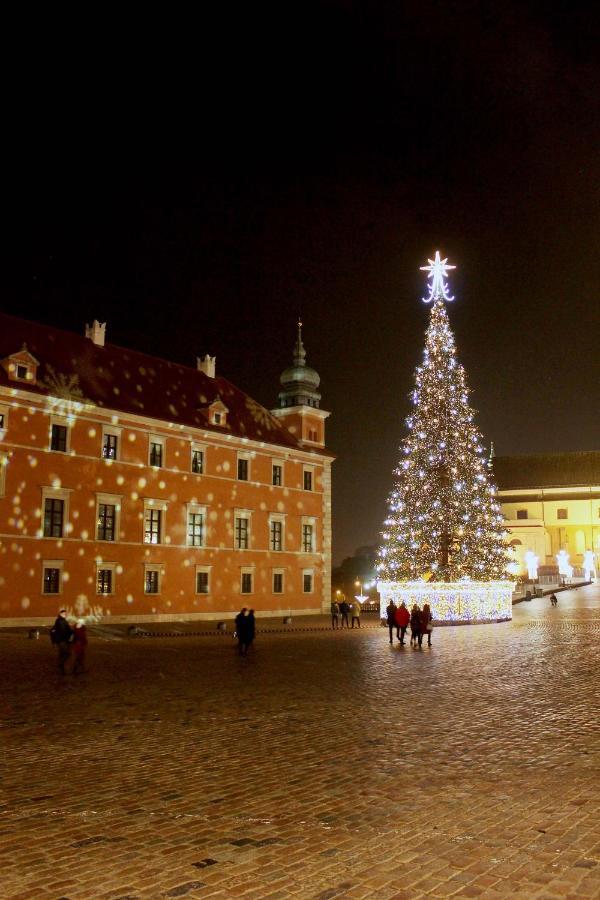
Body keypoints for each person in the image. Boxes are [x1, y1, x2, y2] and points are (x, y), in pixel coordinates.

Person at [51, 609, 73, 674]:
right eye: (64, 614)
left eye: (66, 614)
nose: (65, 615)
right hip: (62, 640)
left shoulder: (60, 620)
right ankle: (61, 665)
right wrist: (70, 633)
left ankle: (60, 666)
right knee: (66, 653)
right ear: (61, 614)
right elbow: (63, 631)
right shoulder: (61, 621)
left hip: (60, 640)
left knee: (61, 653)